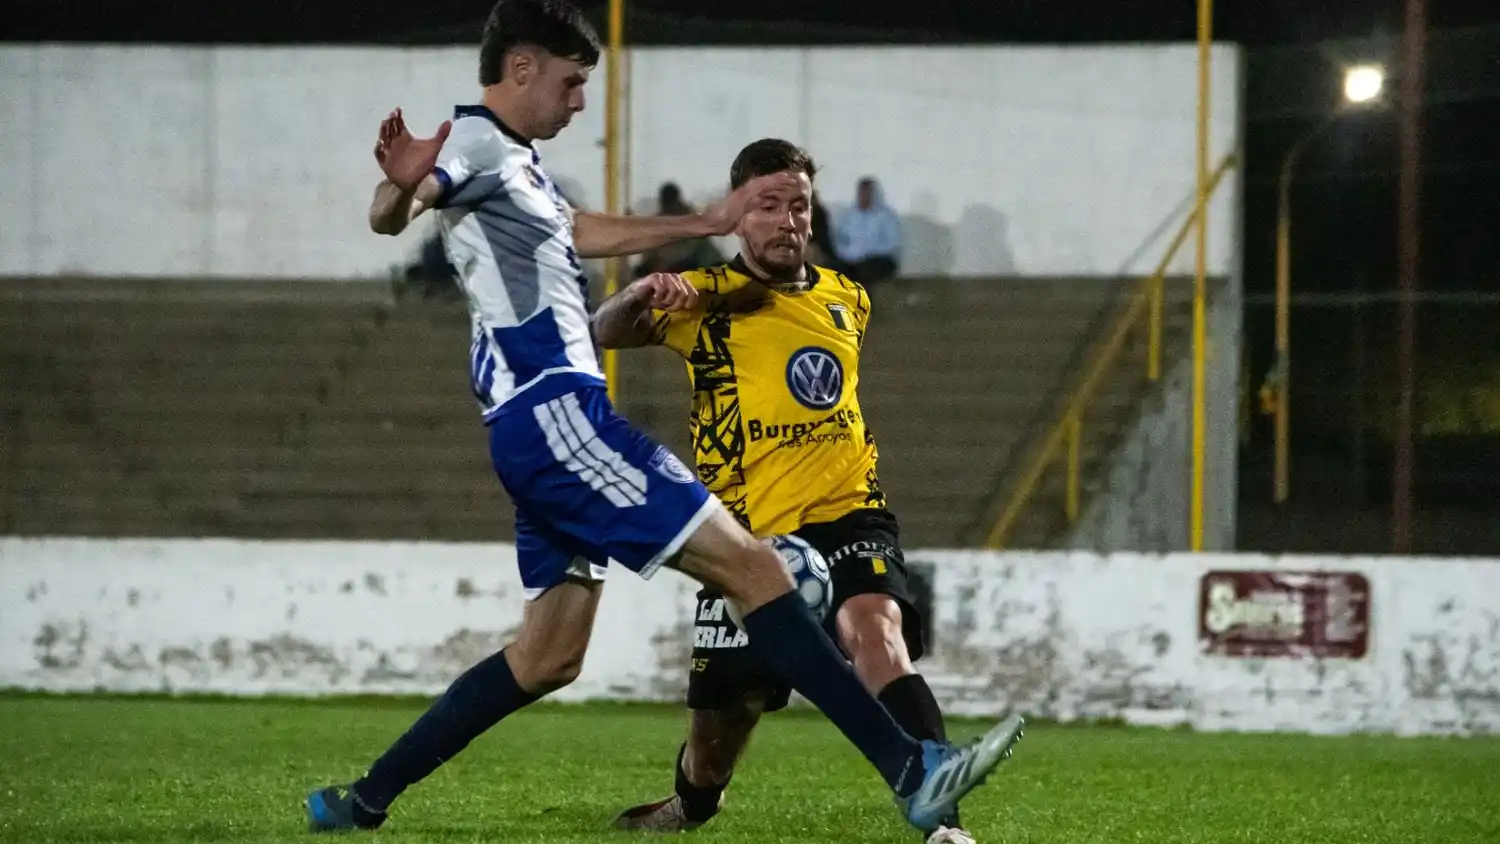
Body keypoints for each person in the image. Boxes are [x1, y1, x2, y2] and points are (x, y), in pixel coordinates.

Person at [302, 1, 1024, 836]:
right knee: (757, 569)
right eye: (572, 83)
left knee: (547, 657)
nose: (580, 101)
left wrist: (703, 223)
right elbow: (396, 210)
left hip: (534, 428)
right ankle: (911, 770)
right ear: (523, 67)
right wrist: (401, 184)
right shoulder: (477, 141)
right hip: (558, 412)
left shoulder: (519, 168)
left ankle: (361, 800)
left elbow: (575, 230)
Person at [593, 139, 990, 844]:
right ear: (738, 215)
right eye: (766, 206)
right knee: (720, 732)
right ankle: (693, 802)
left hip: (850, 512)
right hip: (746, 538)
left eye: (798, 205)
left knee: (876, 633)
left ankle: (941, 815)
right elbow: (604, 331)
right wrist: (642, 292)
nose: (786, 220)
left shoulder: (849, 298)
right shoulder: (703, 296)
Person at [834, 176, 903, 286]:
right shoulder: (849, 215)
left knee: (864, 271)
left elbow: (891, 246)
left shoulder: (886, 216)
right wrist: (849, 253)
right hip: (852, 259)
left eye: (867, 193)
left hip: (879, 259)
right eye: (861, 193)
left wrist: (865, 253)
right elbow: (840, 241)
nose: (864, 196)